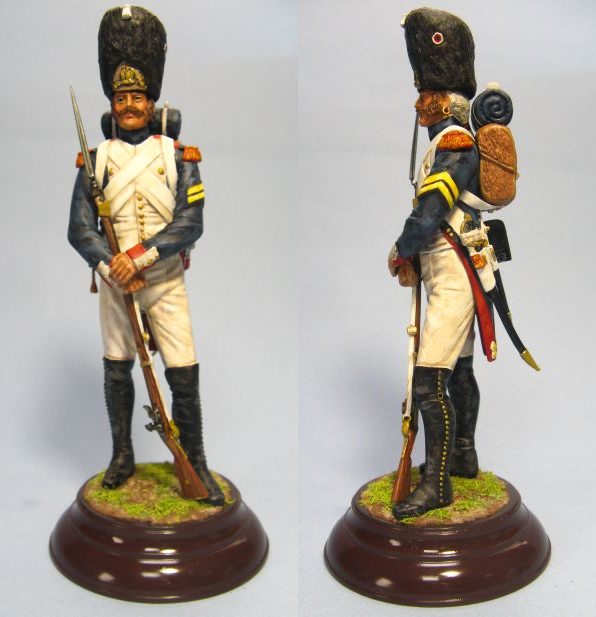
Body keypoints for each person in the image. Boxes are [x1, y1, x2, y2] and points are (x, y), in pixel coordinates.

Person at [68, 6, 223, 505]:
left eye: (137, 97)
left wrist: (138, 257)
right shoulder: (95, 162)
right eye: (121, 98)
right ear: (112, 105)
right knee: (118, 366)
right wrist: (110, 267)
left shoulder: (178, 156)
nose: (129, 105)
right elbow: (79, 229)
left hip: (165, 279)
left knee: (182, 371)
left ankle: (194, 461)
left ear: (152, 101)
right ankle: (122, 455)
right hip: (115, 283)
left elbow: (190, 221)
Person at [388, 8, 488, 519]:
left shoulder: (455, 142)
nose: (418, 103)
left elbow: (430, 212)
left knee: (429, 380)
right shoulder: (444, 143)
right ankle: (463, 456)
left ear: (444, 101)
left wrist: (402, 249)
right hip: (449, 268)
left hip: (452, 270)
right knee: (460, 368)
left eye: (424, 93)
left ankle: (438, 484)